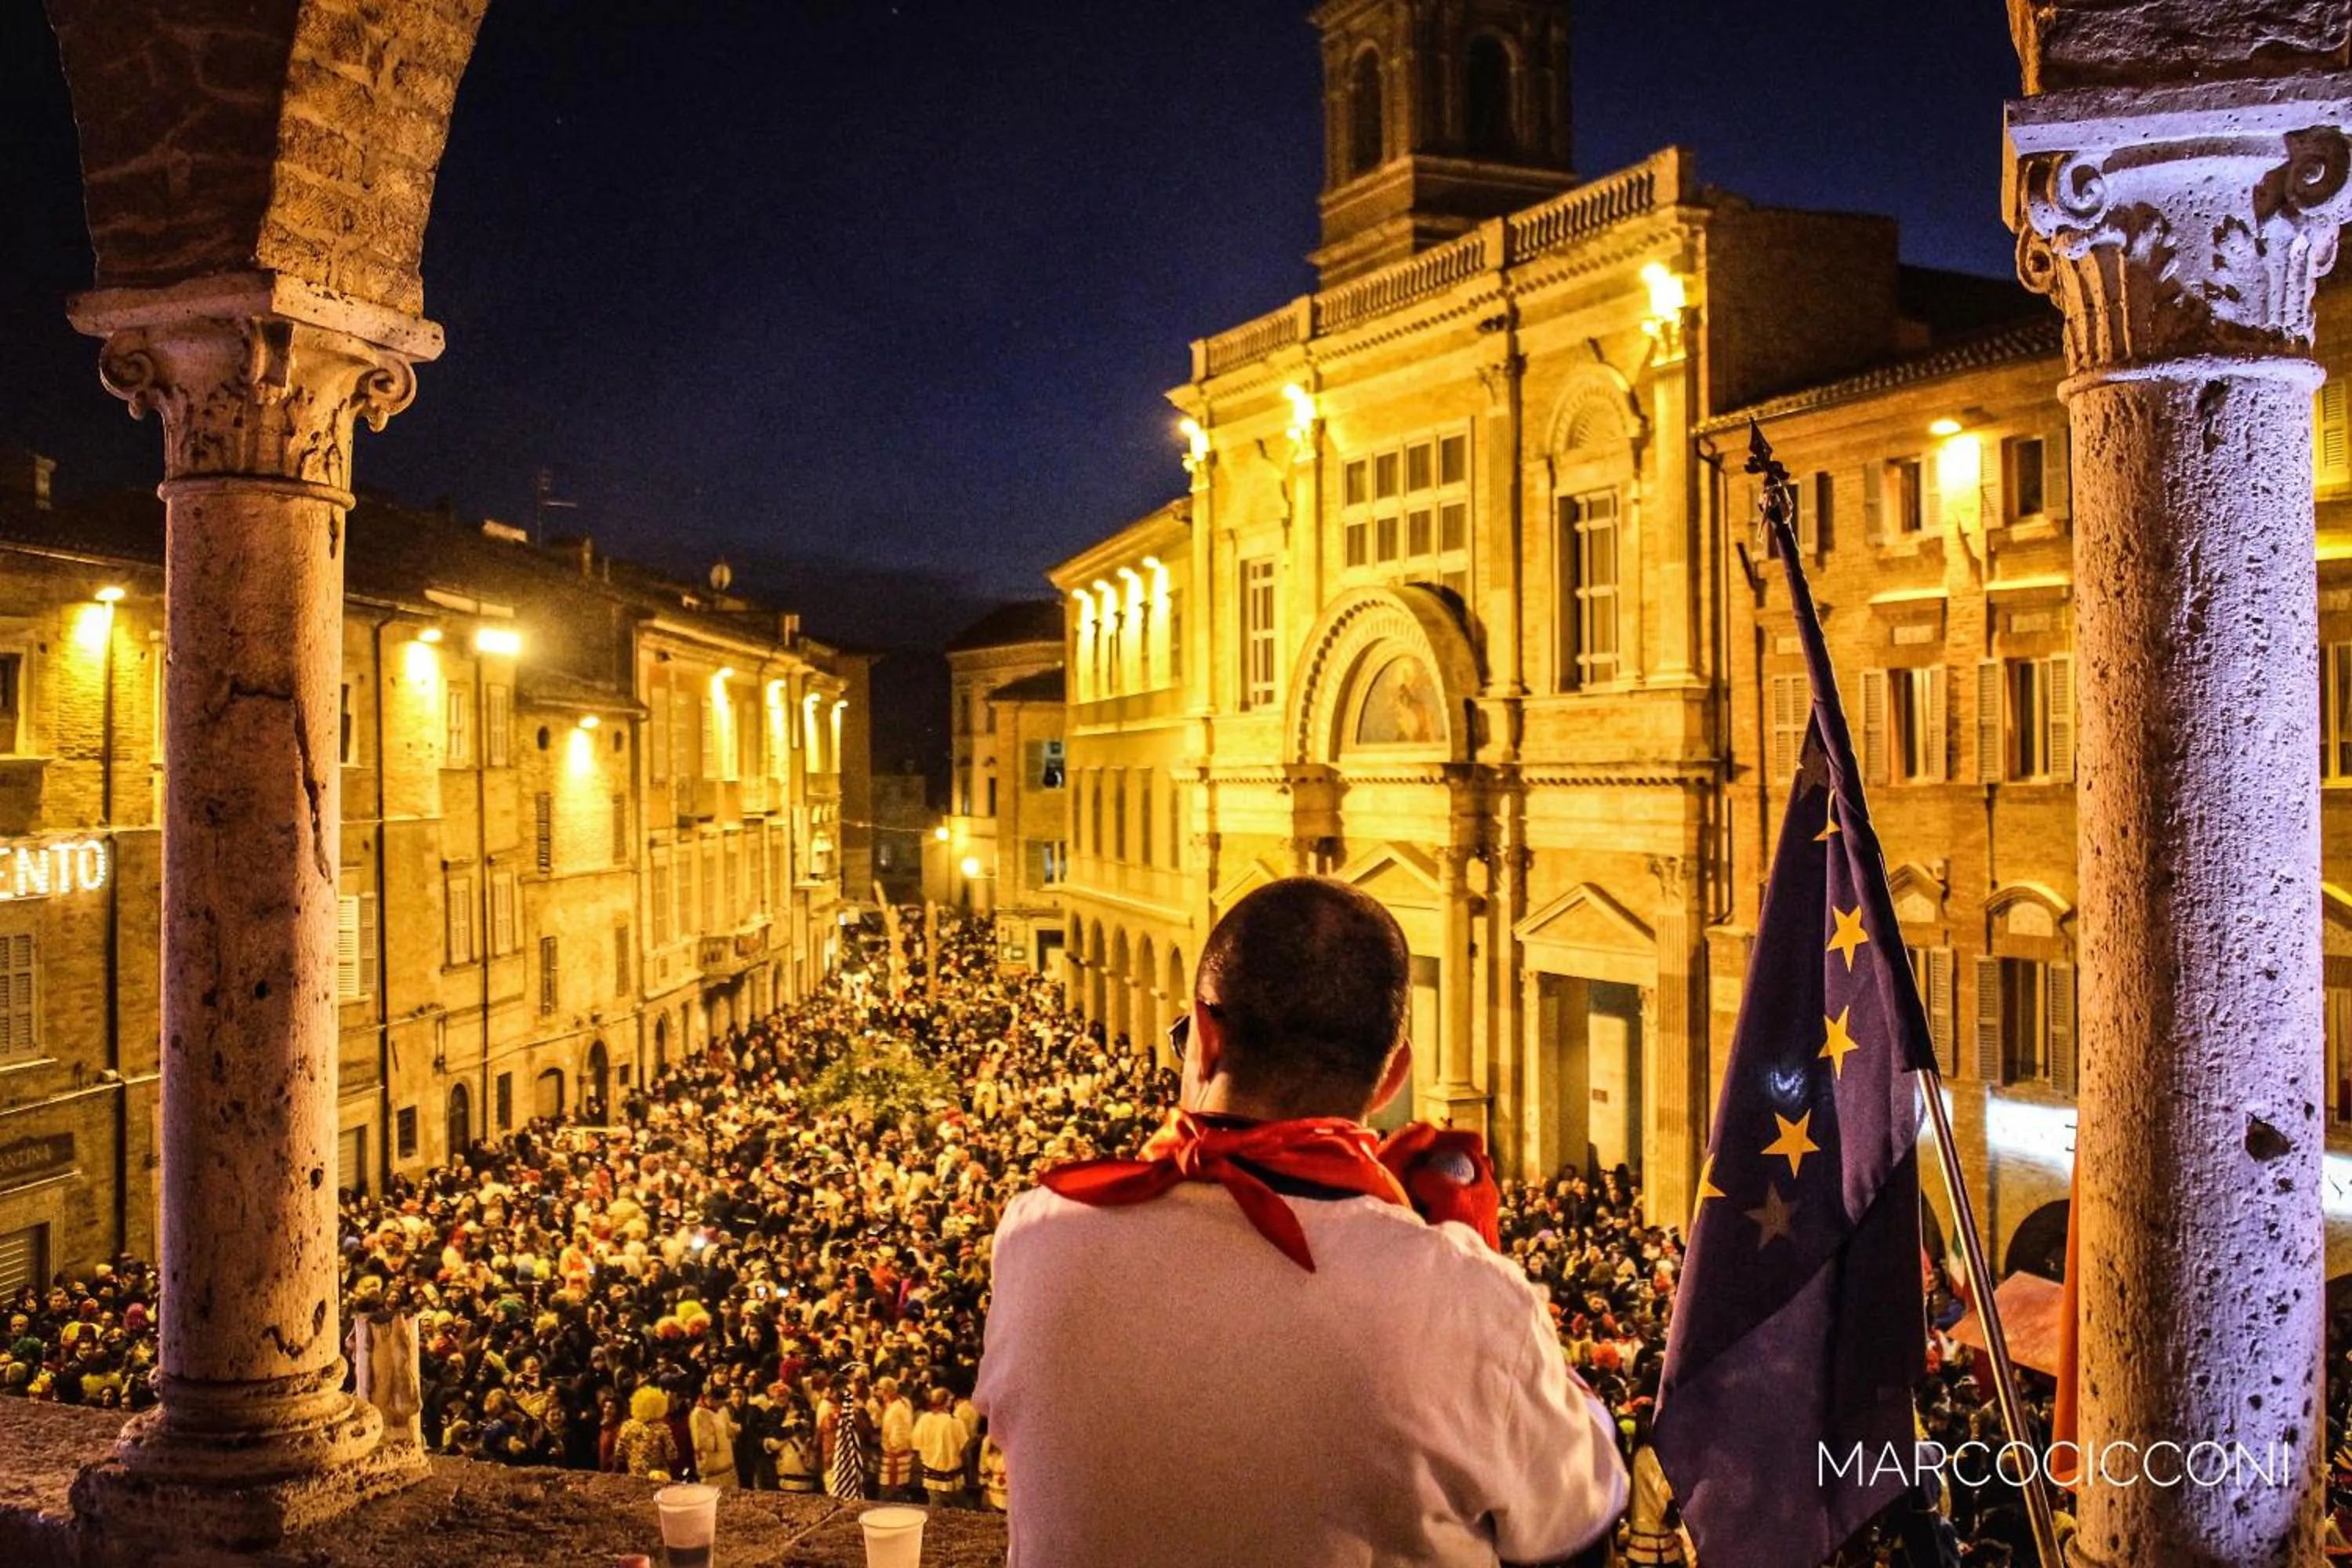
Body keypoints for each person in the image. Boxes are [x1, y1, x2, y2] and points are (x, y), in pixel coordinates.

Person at [976, 877, 1628, 1567]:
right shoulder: (1467, 1303)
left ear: (1204, 1035)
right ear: (1392, 1077)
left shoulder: (1035, 1237)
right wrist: (1465, 1263)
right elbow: (1576, 1519)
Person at [913, 1385, 971, 1509]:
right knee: (959, 1512)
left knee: (936, 1513)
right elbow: (965, 1451)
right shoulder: (955, 1423)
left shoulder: (924, 1420)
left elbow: (916, 1446)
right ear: (948, 1402)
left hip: (931, 1479)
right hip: (952, 1479)